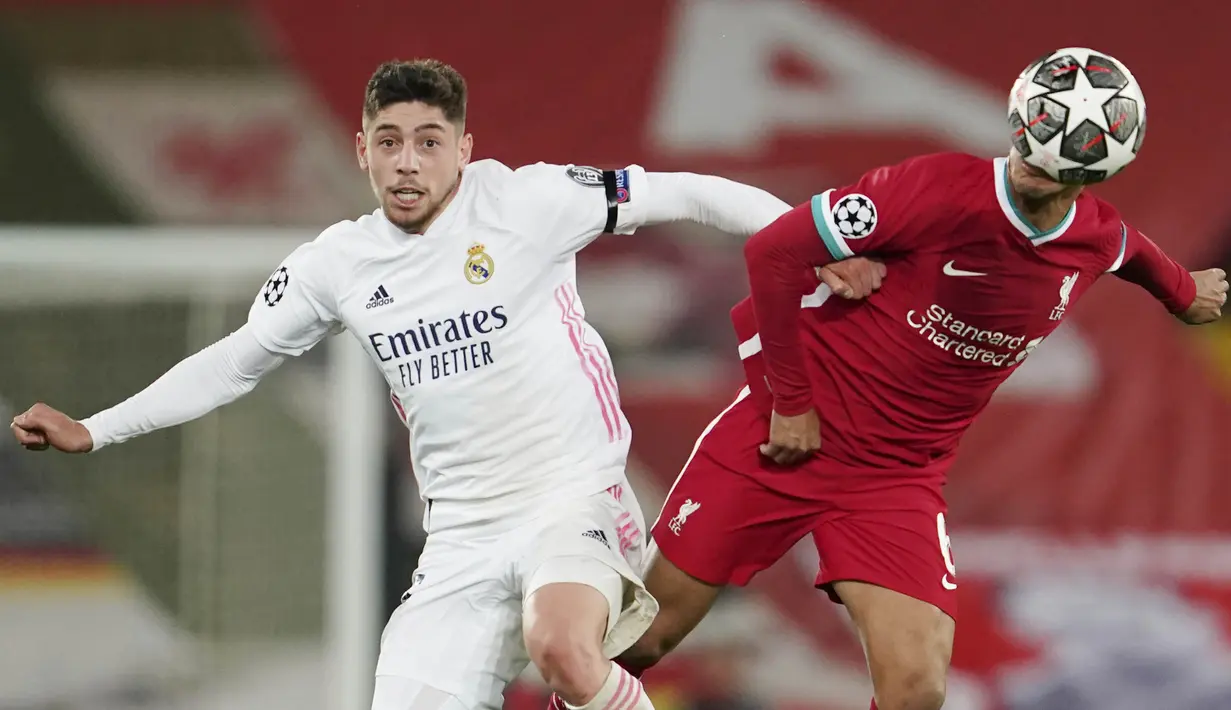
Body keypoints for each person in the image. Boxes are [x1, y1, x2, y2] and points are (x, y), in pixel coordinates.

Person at [8, 59, 884, 710]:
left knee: (564, 652)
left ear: (463, 149)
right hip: (460, 541)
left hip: (570, 500)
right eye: (388, 142)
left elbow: (688, 191)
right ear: (361, 150)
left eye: (428, 142)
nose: (406, 163)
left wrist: (817, 239)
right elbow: (236, 360)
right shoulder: (336, 264)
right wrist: (98, 427)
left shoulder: (527, 203)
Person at [541, 49, 1230, 710]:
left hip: (895, 480)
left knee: (917, 691)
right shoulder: (936, 189)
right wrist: (789, 402)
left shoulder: (1094, 235)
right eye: (1028, 145)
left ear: (1092, 172)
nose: (1030, 170)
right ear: (1019, 122)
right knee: (643, 640)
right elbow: (775, 252)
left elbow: (1130, 252)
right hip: (779, 443)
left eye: (1053, 166)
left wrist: (1182, 290)